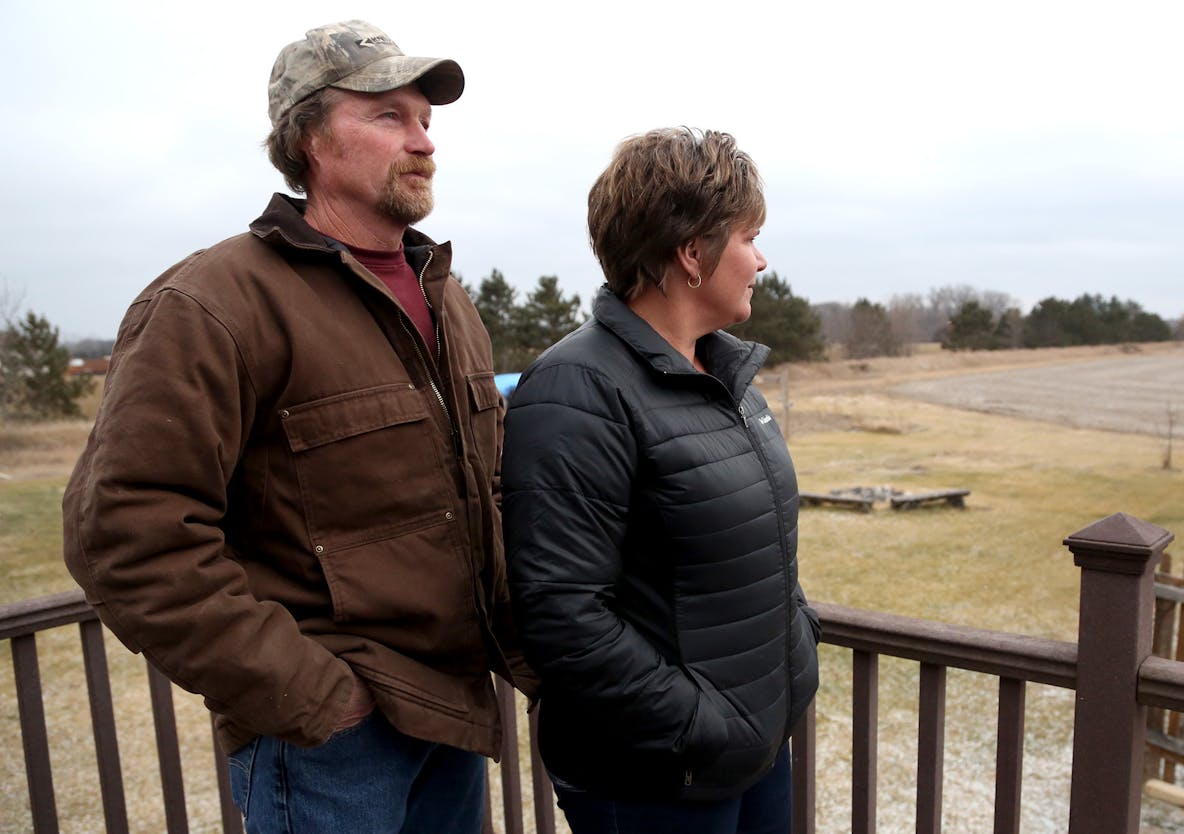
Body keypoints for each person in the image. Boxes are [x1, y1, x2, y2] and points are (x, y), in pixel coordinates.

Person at [62, 20, 534, 833]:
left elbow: (484, 493)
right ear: (309, 136)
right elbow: (126, 532)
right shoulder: (213, 304)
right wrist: (312, 694)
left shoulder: (447, 300)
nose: (423, 141)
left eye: (426, 120)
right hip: (331, 745)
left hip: (452, 714)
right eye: (389, 116)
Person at [501, 127, 820, 834]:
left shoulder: (726, 375)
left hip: (753, 751)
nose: (761, 260)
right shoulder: (576, 388)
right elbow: (564, 614)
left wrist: (797, 644)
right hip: (655, 778)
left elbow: (761, 543)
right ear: (691, 252)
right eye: (748, 236)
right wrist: (704, 724)